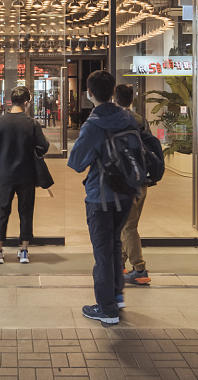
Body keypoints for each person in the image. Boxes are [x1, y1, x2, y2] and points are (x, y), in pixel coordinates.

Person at [67, 70, 162, 325]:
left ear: (89, 94)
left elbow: (76, 162)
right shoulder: (128, 118)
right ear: (112, 92)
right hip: (127, 192)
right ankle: (117, 297)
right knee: (116, 245)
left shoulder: (93, 124)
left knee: (103, 252)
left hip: (101, 196)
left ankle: (106, 309)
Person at [0, 85, 50, 265]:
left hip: (5, 175)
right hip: (26, 175)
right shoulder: (32, 123)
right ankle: (24, 251)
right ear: (26, 103)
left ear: (11, 101)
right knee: (26, 212)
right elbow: (43, 146)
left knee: (3, 211)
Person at [115, 83, 152, 286]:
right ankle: (120, 262)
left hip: (126, 181)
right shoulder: (141, 120)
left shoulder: (117, 121)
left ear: (115, 99)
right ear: (132, 100)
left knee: (128, 226)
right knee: (129, 224)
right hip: (142, 180)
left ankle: (139, 269)